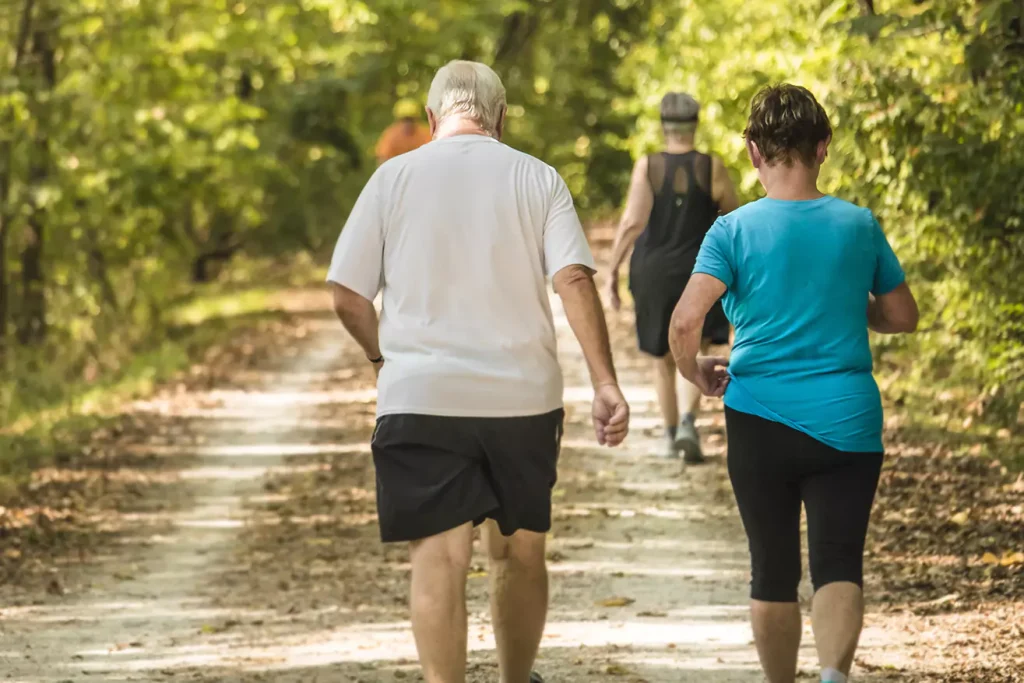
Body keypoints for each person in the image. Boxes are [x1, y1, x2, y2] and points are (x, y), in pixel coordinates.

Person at [327, 60, 630, 683]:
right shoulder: (538, 177)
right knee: (519, 552)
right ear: (502, 117)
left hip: (421, 397)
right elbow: (573, 278)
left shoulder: (392, 178)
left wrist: (382, 358)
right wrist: (605, 382)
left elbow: (347, 295)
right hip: (521, 399)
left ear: (432, 117)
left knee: (438, 560)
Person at [669, 84, 919, 683]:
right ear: (823, 147)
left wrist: (694, 372)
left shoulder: (731, 231)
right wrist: (848, 303)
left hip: (759, 416)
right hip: (847, 417)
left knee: (772, 568)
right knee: (840, 561)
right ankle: (833, 676)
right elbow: (902, 316)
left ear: (753, 151)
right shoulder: (858, 225)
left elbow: (683, 323)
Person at [605, 92, 740, 461]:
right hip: (702, 271)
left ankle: (669, 436)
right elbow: (734, 218)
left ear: (663, 127)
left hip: (654, 272)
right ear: (695, 125)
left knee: (662, 357)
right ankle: (686, 424)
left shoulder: (648, 167)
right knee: (698, 348)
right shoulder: (712, 167)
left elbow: (632, 222)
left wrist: (613, 269)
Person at [375, 98, 433, 164]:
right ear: (398, 121)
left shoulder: (426, 133)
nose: (408, 123)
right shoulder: (390, 135)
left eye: (411, 120)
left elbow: (432, 154)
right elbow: (382, 158)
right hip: (397, 168)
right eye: (404, 120)